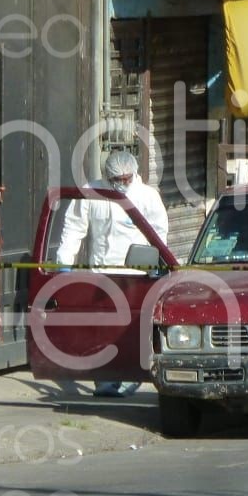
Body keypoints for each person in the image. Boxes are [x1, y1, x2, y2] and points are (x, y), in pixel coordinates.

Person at [56, 150, 168, 397]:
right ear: (107, 176)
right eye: (116, 179)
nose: (122, 184)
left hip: (135, 276)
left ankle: (132, 376)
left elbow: (158, 235)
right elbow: (73, 228)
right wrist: (64, 263)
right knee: (101, 330)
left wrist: (158, 265)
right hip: (100, 274)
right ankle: (105, 382)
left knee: (132, 329)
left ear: (134, 174)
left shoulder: (147, 197)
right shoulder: (90, 193)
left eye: (126, 179)